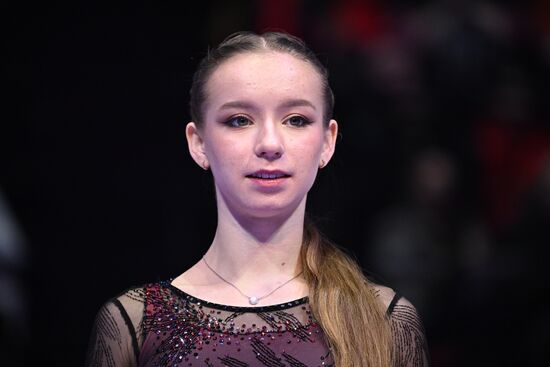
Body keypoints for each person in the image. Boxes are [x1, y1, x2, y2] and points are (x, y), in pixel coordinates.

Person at [85, 31, 430, 367]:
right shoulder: (136, 324)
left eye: (296, 120)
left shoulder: (385, 321)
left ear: (328, 142)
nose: (269, 143)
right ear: (198, 143)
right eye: (239, 120)